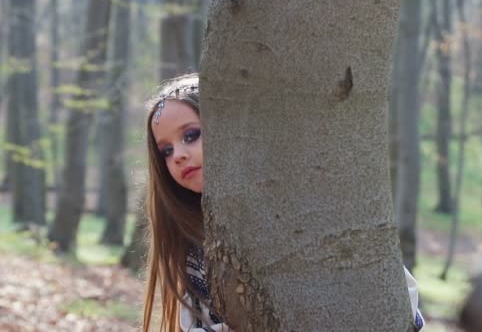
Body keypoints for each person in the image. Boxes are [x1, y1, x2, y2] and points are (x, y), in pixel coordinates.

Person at [141, 74, 424, 332]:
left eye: (191, 135)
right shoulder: (191, 239)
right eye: (166, 150)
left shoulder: (306, 208)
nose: (178, 154)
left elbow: (396, 292)